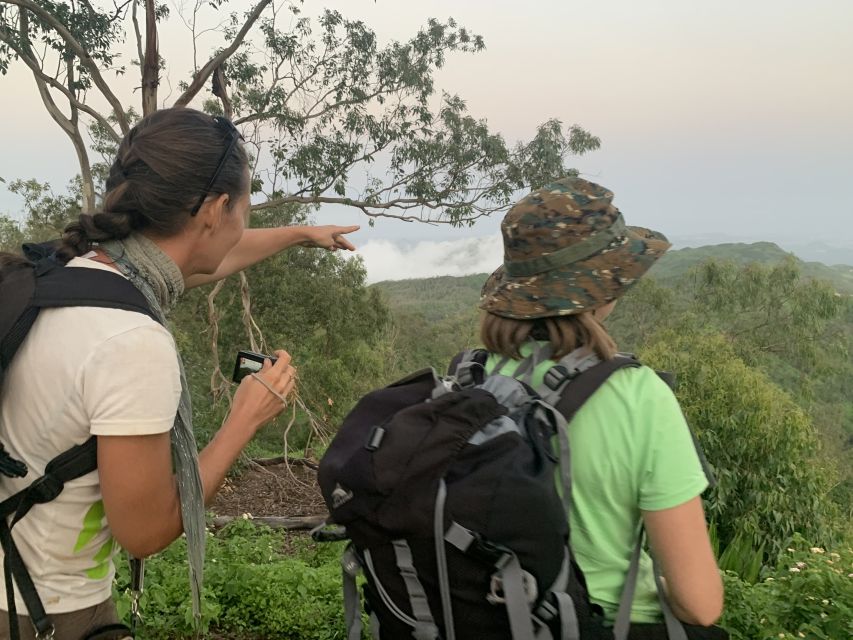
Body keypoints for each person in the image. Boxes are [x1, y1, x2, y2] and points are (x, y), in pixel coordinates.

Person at [0, 107, 358, 639]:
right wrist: (244, 419)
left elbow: (203, 259)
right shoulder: (132, 342)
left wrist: (301, 234)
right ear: (215, 209)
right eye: (244, 209)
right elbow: (145, 531)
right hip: (53, 611)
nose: (245, 226)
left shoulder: (73, 276)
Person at [477, 177, 724, 628]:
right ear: (604, 289)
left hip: (491, 615)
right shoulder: (639, 396)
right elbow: (700, 604)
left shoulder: (473, 376)